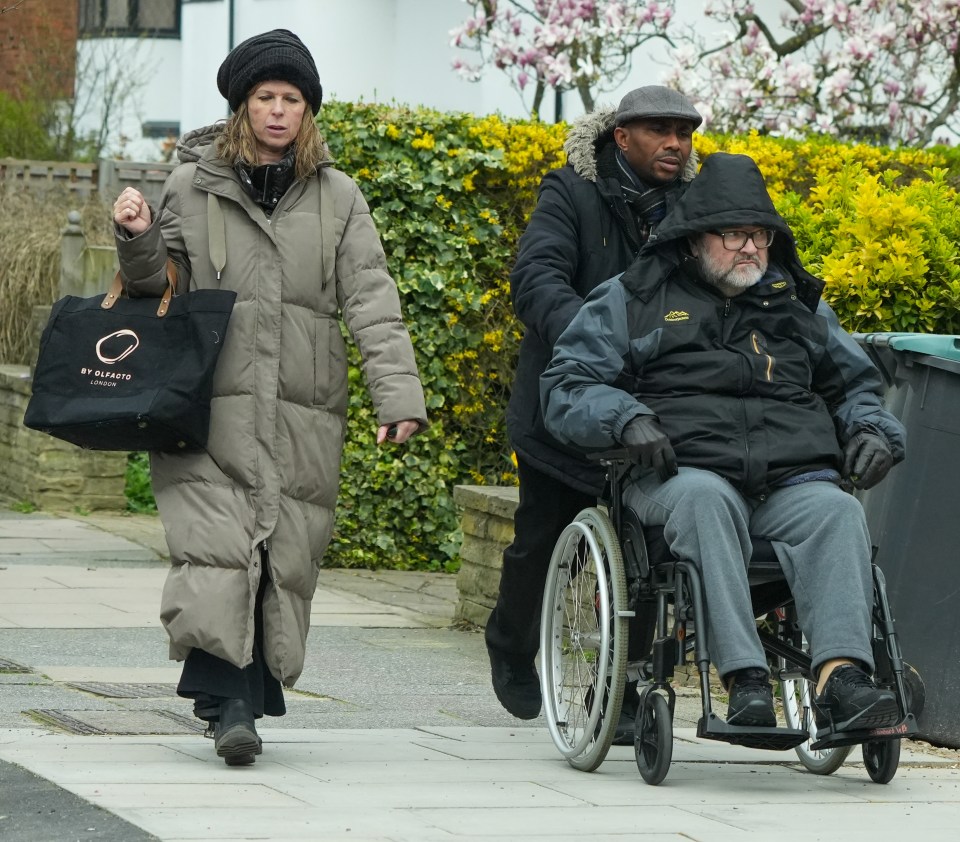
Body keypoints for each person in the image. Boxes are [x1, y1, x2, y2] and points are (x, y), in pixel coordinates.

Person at [112, 29, 428, 765]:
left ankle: (243, 700)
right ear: (241, 105)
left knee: (281, 554)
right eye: (265, 98)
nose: (278, 111)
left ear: (307, 111)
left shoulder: (338, 195)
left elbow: (372, 301)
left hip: (300, 407)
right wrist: (135, 239)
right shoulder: (193, 186)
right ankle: (228, 706)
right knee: (216, 549)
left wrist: (398, 398)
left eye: (291, 99)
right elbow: (162, 287)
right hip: (208, 400)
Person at [540, 152, 904, 732]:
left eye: (759, 235)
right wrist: (623, 417)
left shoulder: (799, 307)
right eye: (733, 234)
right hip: (680, 474)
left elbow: (856, 386)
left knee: (837, 510)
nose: (749, 248)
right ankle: (745, 678)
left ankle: (843, 679)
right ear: (692, 239)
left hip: (789, 480)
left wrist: (873, 429)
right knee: (707, 501)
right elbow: (566, 385)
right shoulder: (633, 299)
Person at [486, 86, 703, 733]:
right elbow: (538, 278)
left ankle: (619, 694)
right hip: (565, 406)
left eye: (685, 132)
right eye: (660, 131)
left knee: (643, 563)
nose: (675, 143)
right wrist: (597, 339)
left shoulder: (694, 209)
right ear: (621, 137)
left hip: (648, 415)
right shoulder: (570, 192)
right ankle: (510, 642)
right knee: (542, 542)